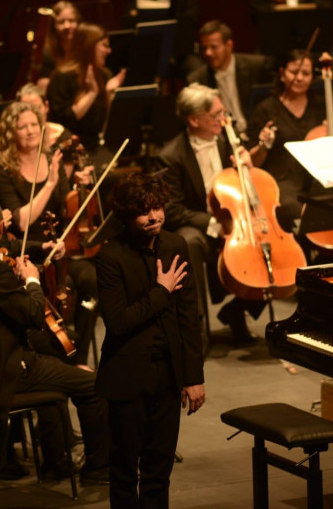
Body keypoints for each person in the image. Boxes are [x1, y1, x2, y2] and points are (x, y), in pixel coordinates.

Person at [0, 198, 110, 484]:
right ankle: (99, 469)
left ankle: (58, 457)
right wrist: (31, 280)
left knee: (59, 362)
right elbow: (32, 314)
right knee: (94, 385)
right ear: (1, 227)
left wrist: (13, 279)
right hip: (10, 370)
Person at [95, 172, 205, 508]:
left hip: (167, 377)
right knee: (125, 472)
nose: (154, 216)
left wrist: (193, 377)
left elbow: (189, 317)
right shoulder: (110, 256)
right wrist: (161, 292)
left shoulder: (175, 245)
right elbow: (117, 322)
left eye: (157, 207)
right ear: (127, 216)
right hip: (127, 377)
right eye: (144, 211)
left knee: (160, 471)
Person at [0, 102, 98, 365]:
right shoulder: (1, 170)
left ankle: (76, 356)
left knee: (91, 282)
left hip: (56, 245)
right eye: (21, 126)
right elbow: (22, 221)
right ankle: (52, 356)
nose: (29, 131)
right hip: (25, 250)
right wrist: (49, 182)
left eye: (34, 125)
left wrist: (77, 189)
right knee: (61, 287)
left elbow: (61, 207)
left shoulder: (49, 159)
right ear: (9, 133)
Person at [155, 84, 262, 346]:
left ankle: (239, 310)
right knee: (188, 243)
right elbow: (173, 210)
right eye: (215, 115)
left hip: (233, 216)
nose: (223, 119)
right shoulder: (171, 156)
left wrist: (246, 167)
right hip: (198, 222)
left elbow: (247, 186)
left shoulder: (229, 137)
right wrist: (214, 224)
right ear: (194, 120)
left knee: (263, 239)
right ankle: (196, 325)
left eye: (223, 112)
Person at [247, 49, 326, 233]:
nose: (299, 78)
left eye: (305, 73)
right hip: (283, 181)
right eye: (294, 72)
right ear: (282, 74)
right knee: (291, 208)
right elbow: (252, 163)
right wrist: (262, 146)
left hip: (317, 177)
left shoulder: (321, 104)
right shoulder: (265, 109)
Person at [46, 22, 125, 164]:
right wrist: (92, 93)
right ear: (90, 47)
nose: (109, 51)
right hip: (68, 151)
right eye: (104, 45)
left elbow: (105, 125)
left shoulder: (104, 75)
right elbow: (68, 120)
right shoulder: (62, 77)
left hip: (95, 146)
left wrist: (109, 94)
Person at [186, 20, 276, 139]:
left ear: (229, 46)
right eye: (204, 48)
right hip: (223, 139)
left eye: (214, 47)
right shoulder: (197, 79)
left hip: (258, 133)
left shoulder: (256, 66)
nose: (208, 53)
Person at [37, 0, 81, 92]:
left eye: (71, 21)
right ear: (53, 25)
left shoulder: (84, 47)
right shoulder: (46, 53)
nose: (67, 26)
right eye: (61, 22)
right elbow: (43, 86)